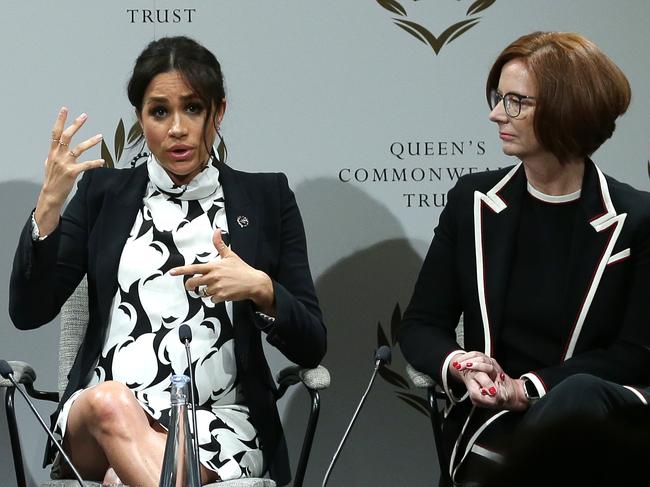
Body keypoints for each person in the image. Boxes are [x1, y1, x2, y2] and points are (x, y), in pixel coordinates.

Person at [9, 36, 326, 487]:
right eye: (159, 112)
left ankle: (133, 473)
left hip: (219, 427)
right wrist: (47, 208)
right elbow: (27, 312)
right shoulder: (104, 196)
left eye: (193, 108)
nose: (177, 128)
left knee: (136, 476)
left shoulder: (266, 198)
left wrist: (262, 289)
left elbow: (312, 344)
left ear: (218, 112)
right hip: (98, 422)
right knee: (108, 403)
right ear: (140, 118)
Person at [398, 31, 650, 485]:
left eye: (516, 101)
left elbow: (636, 354)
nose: (497, 114)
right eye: (499, 98)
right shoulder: (471, 201)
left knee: (580, 394)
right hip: (490, 426)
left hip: (599, 431)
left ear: (566, 110)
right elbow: (421, 324)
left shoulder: (637, 218)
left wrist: (528, 388)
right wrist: (462, 365)